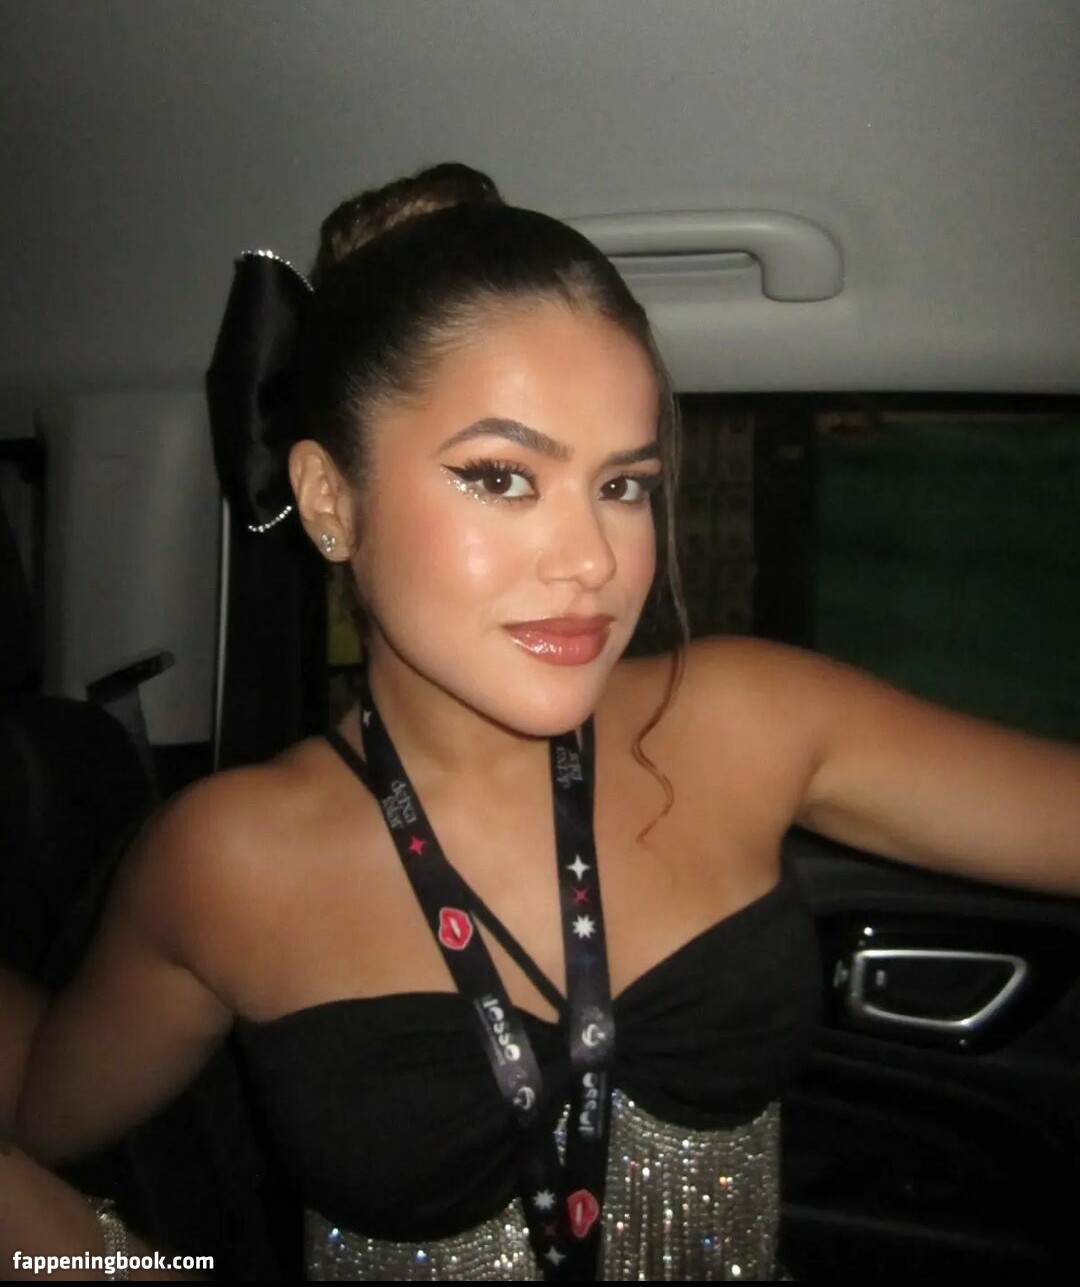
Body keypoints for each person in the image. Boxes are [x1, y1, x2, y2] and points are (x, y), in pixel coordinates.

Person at [6, 162, 1080, 1282]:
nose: (594, 561)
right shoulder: (229, 861)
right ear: (330, 500)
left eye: (623, 485)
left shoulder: (747, 720)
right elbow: (42, 1117)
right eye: (502, 477)